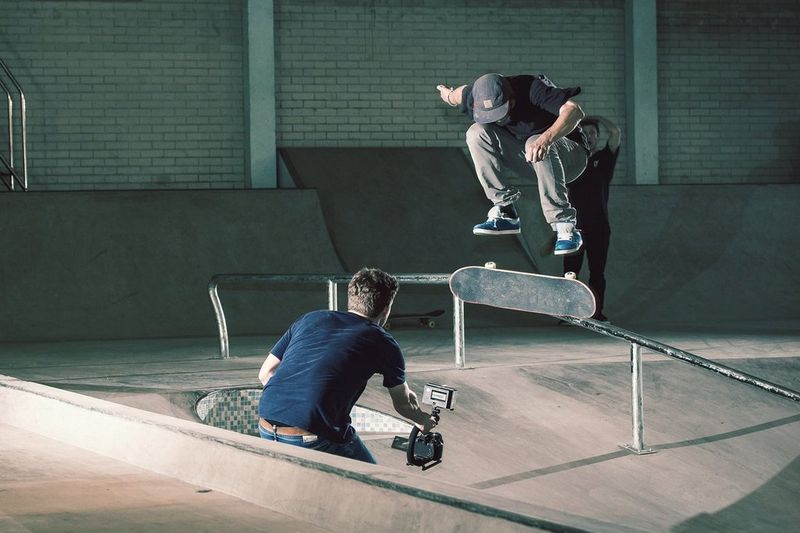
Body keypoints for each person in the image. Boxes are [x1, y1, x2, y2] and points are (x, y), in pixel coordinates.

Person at [257, 267, 437, 464]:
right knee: (374, 480)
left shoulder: (311, 318)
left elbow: (265, 373)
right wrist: (423, 421)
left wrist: (292, 402)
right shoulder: (381, 340)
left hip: (265, 422)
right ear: (386, 308)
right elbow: (402, 404)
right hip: (310, 435)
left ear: (351, 297)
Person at [437, 73, 589, 256]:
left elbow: (575, 111)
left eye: (501, 111)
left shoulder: (532, 88)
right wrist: (447, 95)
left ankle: (566, 227)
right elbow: (456, 95)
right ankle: (506, 210)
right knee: (476, 132)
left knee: (533, 140)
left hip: (570, 158)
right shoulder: (473, 95)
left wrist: (545, 139)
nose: (497, 119)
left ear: (512, 98)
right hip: (530, 161)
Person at [563, 116, 621, 322]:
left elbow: (615, 132)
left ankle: (596, 313)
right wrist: (576, 125)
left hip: (599, 225)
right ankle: (568, 313)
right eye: (585, 133)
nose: (589, 136)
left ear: (597, 136)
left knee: (597, 272)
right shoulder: (572, 159)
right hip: (574, 227)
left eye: (593, 133)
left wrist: (594, 119)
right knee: (570, 271)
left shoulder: (606, 158)